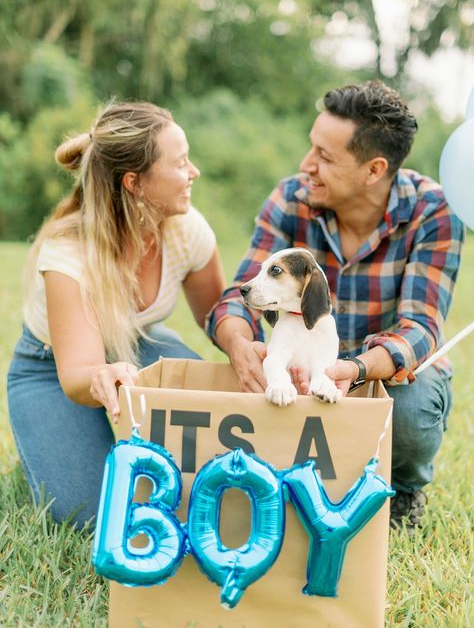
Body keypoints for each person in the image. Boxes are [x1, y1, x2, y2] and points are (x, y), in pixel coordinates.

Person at [206, 80, 464, 532]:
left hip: (381, 370)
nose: (307, 165)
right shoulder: (290, 199)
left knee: (411, 406)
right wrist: (238, 343)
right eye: (312, 148)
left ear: (373, 169)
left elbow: (420, 329)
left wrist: (355, 369)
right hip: (302, 364)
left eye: (325, 157)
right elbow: (238, 298)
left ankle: (401, 489)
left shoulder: (432, 210)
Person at [7, 101, 225, 529]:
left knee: (208, 454)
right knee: (88, 513)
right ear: (135, 183)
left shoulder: (187, 228)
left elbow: (218, 317)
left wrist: (246, 342)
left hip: (138, 344)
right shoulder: (69, 254)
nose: (193, 172)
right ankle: (51, 439)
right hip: (51, 368)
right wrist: (100, 378)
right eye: (181, 164)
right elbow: (77, 373)